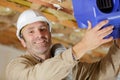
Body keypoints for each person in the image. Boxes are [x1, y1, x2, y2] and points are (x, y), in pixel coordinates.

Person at [5, 9, 120, 80]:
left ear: (50, 34)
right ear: (22, 41)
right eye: (31, 31)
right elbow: (39, 77)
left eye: (43, 28)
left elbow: (102, 74)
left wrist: (118, 45)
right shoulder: (16, 67)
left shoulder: (70, 65)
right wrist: (84, 45)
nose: (39, 34)